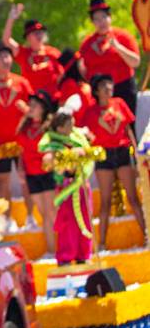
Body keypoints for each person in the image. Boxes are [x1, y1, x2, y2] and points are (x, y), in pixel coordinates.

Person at [82, 73, 146, 250]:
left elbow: (128, 130)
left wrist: (137, 154)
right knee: (105, 201)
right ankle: (101, 243)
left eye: (110, 85)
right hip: (104, 155)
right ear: (96, 91)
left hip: (123, 151)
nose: (108, 89)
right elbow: (87, 135)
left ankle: (147, 235)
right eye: (104, 86)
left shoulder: (119, 104)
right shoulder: (91, 112)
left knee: (133, 198)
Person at [0, 42, 34, 231]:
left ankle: (30, 217)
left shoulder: (22, 83)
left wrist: (26, 110)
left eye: (7, 56)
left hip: (20, 141)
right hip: (0, 143)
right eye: (0, 57)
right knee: (3, 182)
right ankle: (7, 219)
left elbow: (35, 111)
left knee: (24, 179)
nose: (5, 60)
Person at [39, 111, 101, 265]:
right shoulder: (52, 143)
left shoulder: (78, 138)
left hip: (82, 186)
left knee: (85, 219)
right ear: (59, 128)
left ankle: (83, 254)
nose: (72, 128)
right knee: (68, 224)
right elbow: (49, 162)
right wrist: (69, 155)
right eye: (68, 125)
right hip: (67, 187)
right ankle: (66, 256)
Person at [79, 0, 141, 114]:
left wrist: (118, 47)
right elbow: (82, 69)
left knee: (126, 126)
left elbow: (135, 62)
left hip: (123, 88)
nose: (101, 22)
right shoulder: (87, 43)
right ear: (92, 22)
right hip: (99, 93)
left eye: (103, 17)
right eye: (96, 19)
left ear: (110, 17)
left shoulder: (123, 36)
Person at [16, 90, 58, 256]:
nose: (30, 108)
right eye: (30, 105)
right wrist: (20, 167)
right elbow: (21, 150)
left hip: (47, 173)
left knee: (51, 212)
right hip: (32, 174)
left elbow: (57, 146)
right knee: (43, 214)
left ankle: (61, 247)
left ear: (43, 108)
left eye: (35, 105)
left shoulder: (49, 126)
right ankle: (51, 249)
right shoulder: (24, 126)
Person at [2, 4, 63, 95]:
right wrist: (11, 19)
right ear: (28, 38)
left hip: (51, 101)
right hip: (31, 102)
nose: (39, 35)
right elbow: (6, 40)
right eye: (35, 33)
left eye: (40, 32)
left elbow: (62, 75)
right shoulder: (24, 54)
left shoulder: (53, 52)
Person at [57, 49, 92, 125]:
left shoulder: (83, 83)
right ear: (75, 66)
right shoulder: (69, 85)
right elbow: (63, 113)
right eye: (81, 63)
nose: (84, 66)